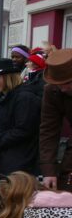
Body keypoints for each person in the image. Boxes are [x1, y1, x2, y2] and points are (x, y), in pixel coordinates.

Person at [0, 58, 41, 175]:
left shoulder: (25, 97)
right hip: (5, 157)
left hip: (21, 161)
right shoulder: (3, 96)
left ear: (9, 77)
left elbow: (23, 130)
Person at [38, 48, 72, 192]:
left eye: (67, 83)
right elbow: (48, 131)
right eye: (58, 84)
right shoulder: (52, 90)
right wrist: (49, 170)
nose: (62, 89)